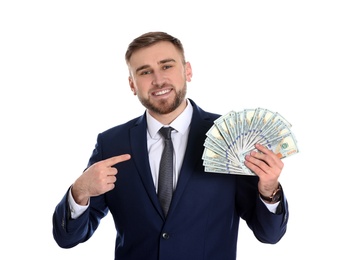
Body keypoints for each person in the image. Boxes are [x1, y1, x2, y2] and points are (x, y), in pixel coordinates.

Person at [52, 31, 289, 260]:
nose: (158, 80)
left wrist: (269, 190)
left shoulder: (230, 136)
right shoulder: (111, 143)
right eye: (145, 72)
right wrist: (79, 192)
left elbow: (269, 235)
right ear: (132, 84)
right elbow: (68, 238)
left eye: (167, 66)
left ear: (187, 70)